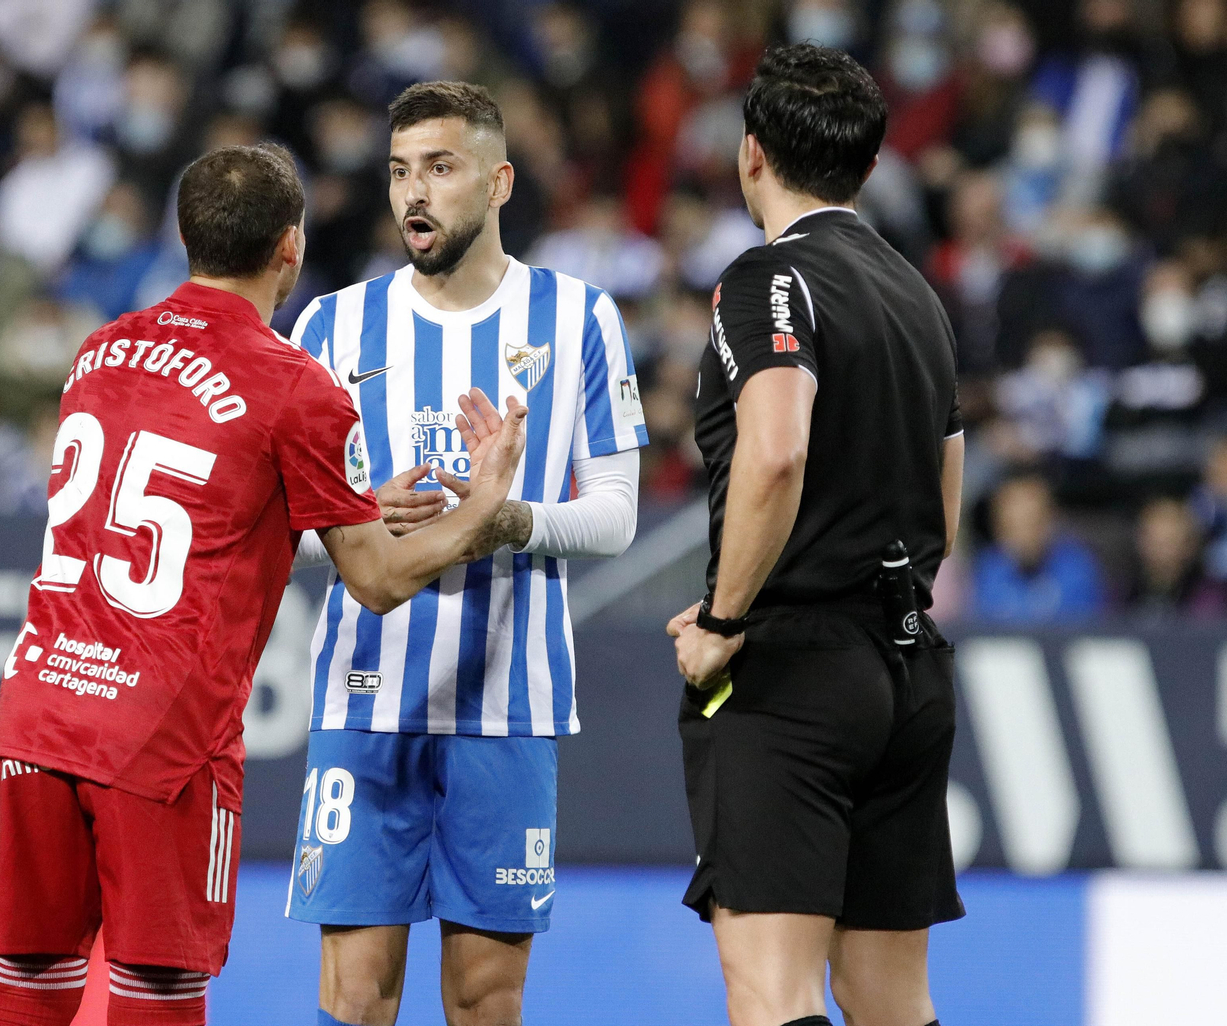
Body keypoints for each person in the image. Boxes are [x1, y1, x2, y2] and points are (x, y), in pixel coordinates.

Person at [0, 142, 528, 1026]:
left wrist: (341, 505)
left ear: (186, 237)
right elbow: (376, 581)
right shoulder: (294, 386)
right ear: (290, 246)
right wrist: (486, 505)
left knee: (31, 983)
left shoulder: (99, 352)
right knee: (158, 987)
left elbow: (196, 502)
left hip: (38, 709)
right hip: (158, 739)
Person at [285, 81, 646, 1026]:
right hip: (363, 700)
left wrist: (507, 520)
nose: (414, 191)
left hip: (507, 705)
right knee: (354, 994)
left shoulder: (579, 318)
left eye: (440, 168)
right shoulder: (329, 326)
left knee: (486, 997)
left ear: (498, 182)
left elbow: (615, 517)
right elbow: (276, 535)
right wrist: (356, 521)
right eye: (400, 170)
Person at [666, 45, 965, 1026]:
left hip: (793, 673)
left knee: (772, 991)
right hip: (907, 668)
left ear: (750, 154)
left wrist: (722, 619)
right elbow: (946, 493)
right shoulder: (917, 295)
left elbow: (776, 451)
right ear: (869, 166)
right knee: (889, 998)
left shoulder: (765, 280)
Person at [972, 470, 1105, 621]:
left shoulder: (1078, 570)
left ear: (1051, 518)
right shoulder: (985, 573)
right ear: (997, 525)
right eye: (1014, 524)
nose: (1024, 536)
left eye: (1032, 522)